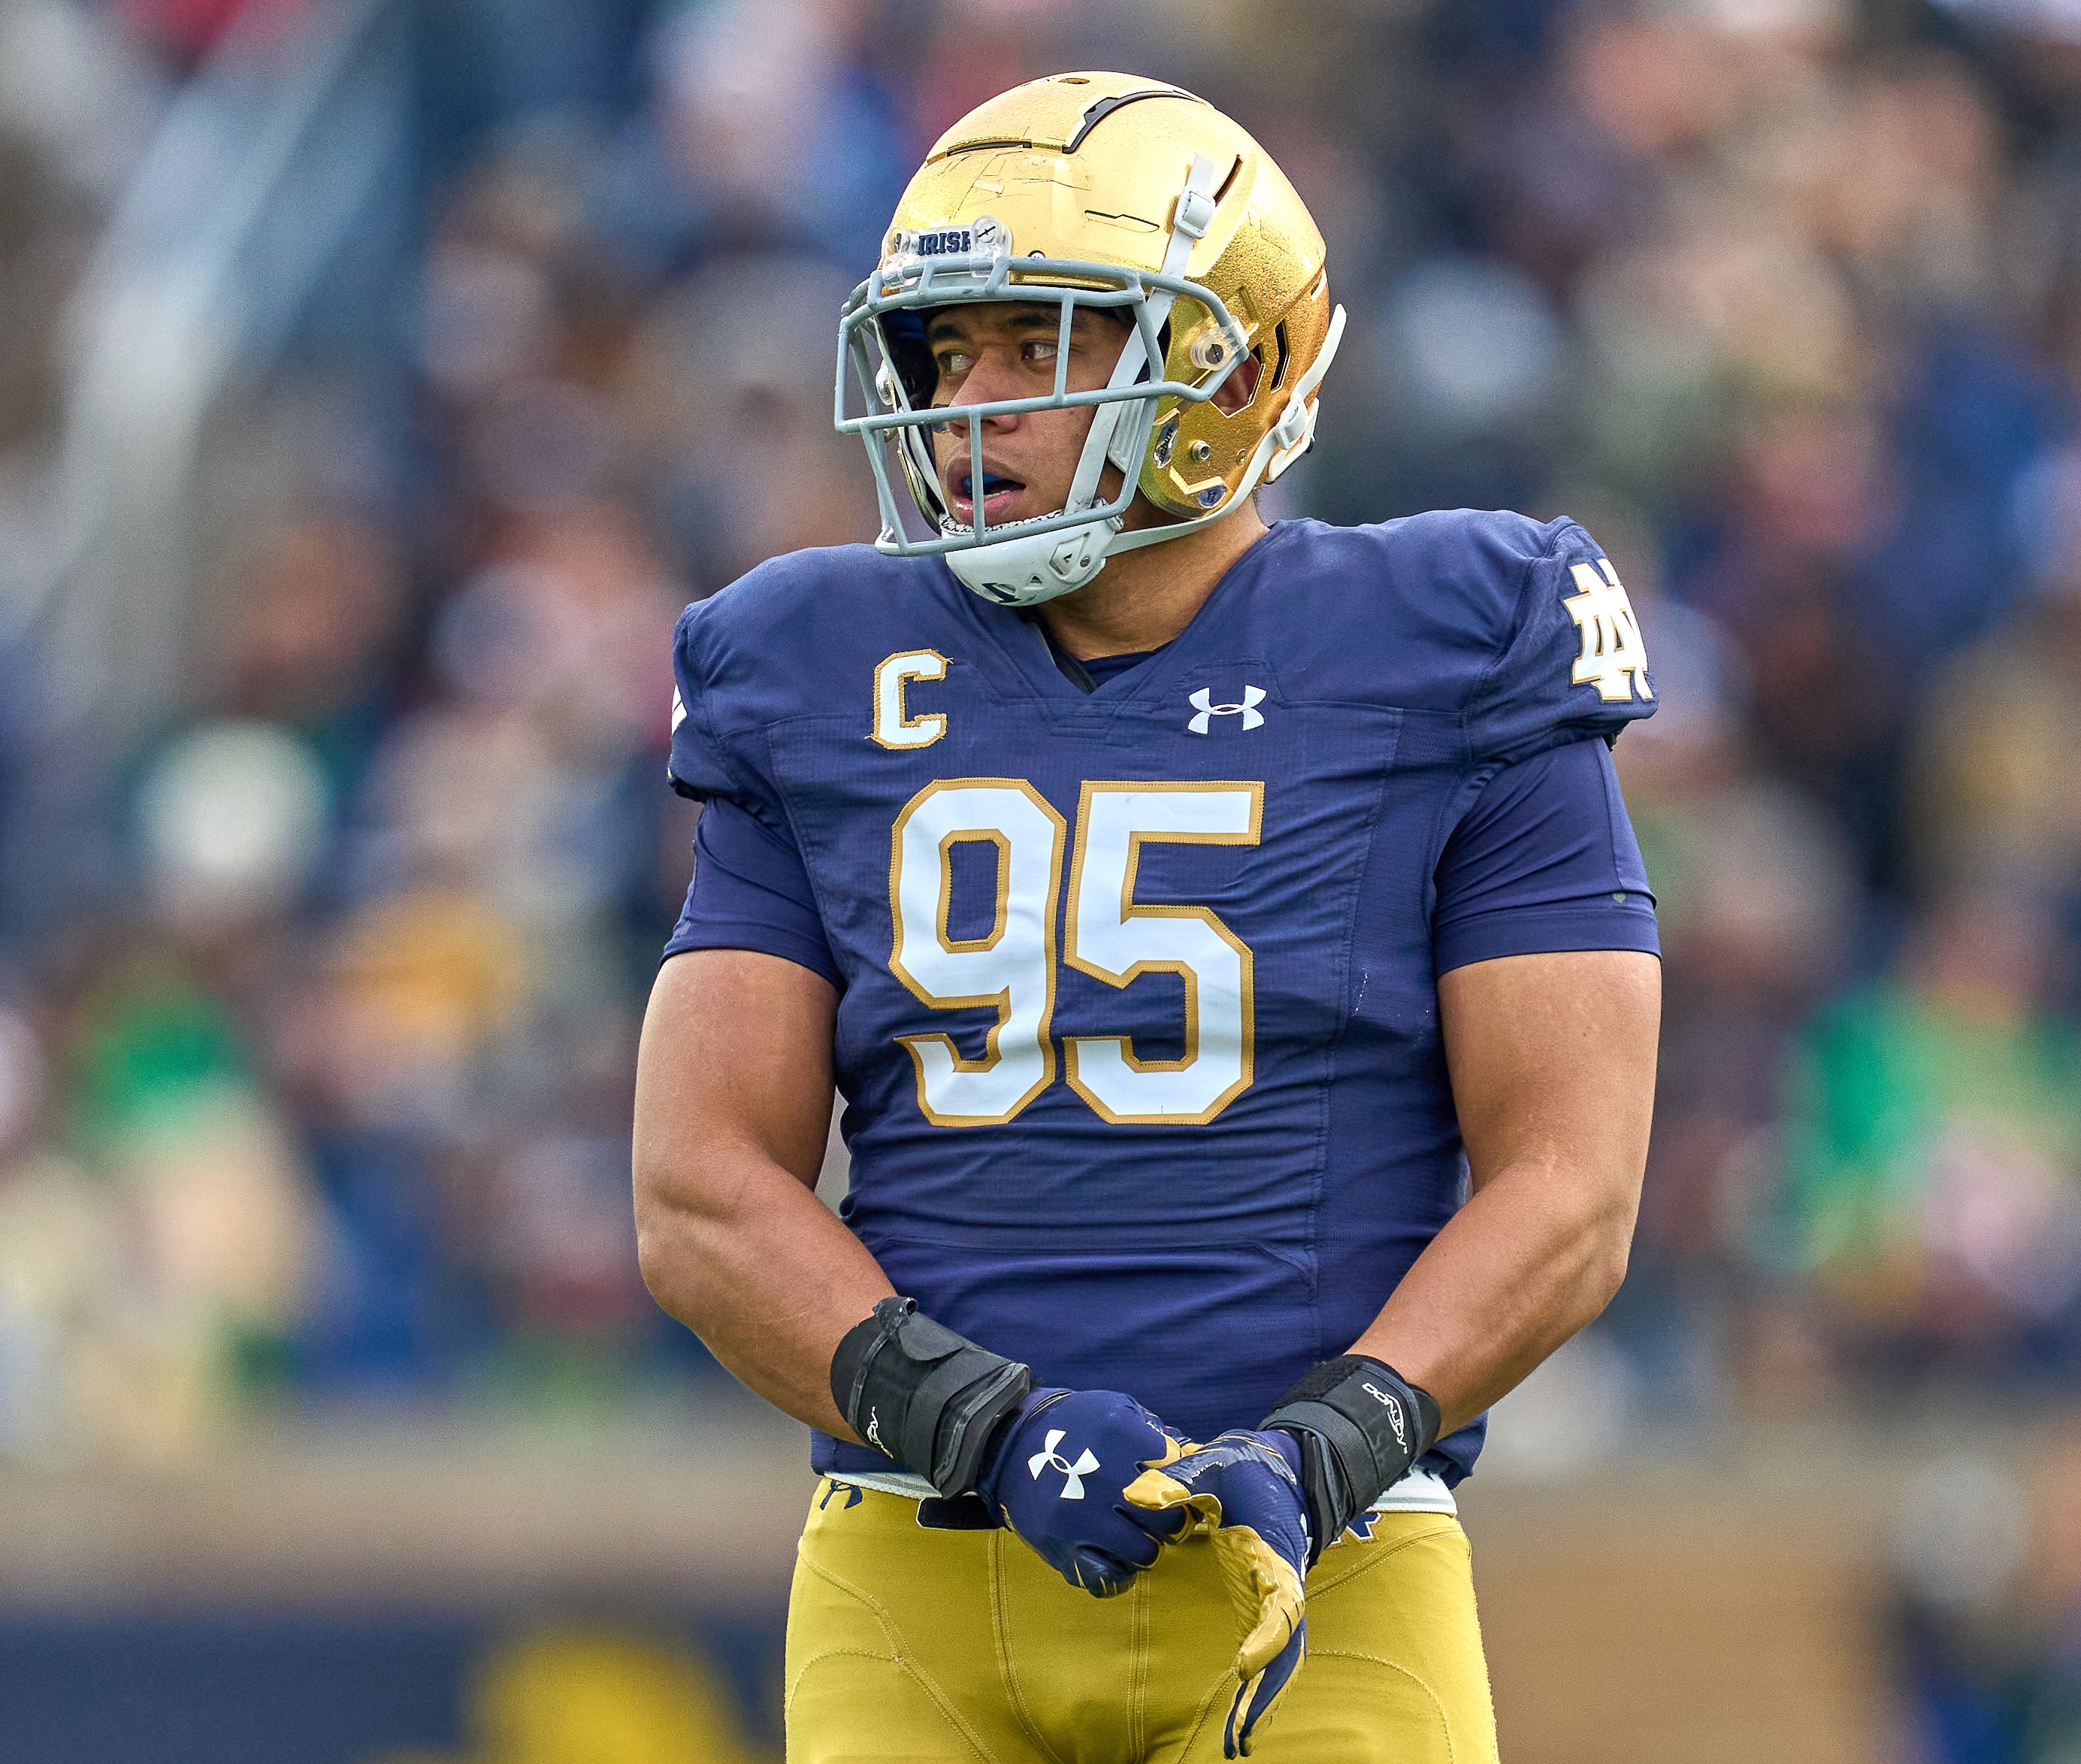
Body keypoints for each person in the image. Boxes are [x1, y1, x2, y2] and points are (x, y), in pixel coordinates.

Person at [633, 72, 1660, 1762]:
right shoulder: (809, 663)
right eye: (946, 355)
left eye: (1036, 343)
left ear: (1229, 369)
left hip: (1322, 1563)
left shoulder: (1455, 636)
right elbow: (696, 1194)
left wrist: (1327, 1444)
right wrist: (982, 1423)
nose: (969, 409)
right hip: (913, 1567)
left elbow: (1573, 1185)